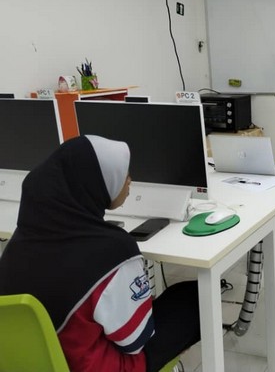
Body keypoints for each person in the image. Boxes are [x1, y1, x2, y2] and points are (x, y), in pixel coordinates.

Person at [0, 135, 201, 372]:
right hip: (103, 366)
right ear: (95, 183)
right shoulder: (113, 251)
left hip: (33, 363)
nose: (129, 180)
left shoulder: (17, 245)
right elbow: (135, 342)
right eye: (122, 174)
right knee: (192, 298)